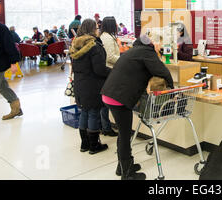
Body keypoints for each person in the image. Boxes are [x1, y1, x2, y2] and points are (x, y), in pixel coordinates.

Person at [101, 33, 174, 180]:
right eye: (155, 41)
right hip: (119, 98)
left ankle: (122, 167)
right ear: (150, 44)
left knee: (123, 134)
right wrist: (171, 89)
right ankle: (127, 174)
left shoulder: (133, 51)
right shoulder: (147, 52)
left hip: (109, 94)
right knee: (125, 135)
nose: (157, 44)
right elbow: (162, 71)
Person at [70, 19, 111, 155]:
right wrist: (112, 72)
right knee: (94, 112)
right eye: (96, 28)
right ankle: (94, 145)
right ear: (93, 29)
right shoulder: (94, 46)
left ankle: (84, 144)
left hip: (80, 83)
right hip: (93, 84)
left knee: (84, 112)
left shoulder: (75, 44)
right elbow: (99, 69)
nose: (98, 30)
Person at [99, 16, 120, 137]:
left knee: (104, 103)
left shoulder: (106, 36)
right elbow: (110, 57)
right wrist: (123, 60)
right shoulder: (107, 38)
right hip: (109, 70)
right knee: (105, 104)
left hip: (109, 70)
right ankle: (106, 127)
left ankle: (105, 126)